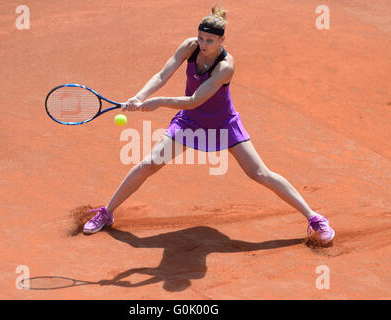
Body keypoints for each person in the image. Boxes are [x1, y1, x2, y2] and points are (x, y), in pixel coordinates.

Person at [83, 6, 335, 243]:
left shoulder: (226, 67)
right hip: (190, 122)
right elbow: (162, 75)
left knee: (258, 173)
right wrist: (139, 97)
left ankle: (315, 217)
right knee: (149, 163)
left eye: (210, 41)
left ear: (222, 40)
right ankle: (107, 212)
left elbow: (194, 100)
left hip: (223, 123)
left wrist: (157, 102)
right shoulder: (189, 47)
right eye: (201, 38)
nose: (203, 44)